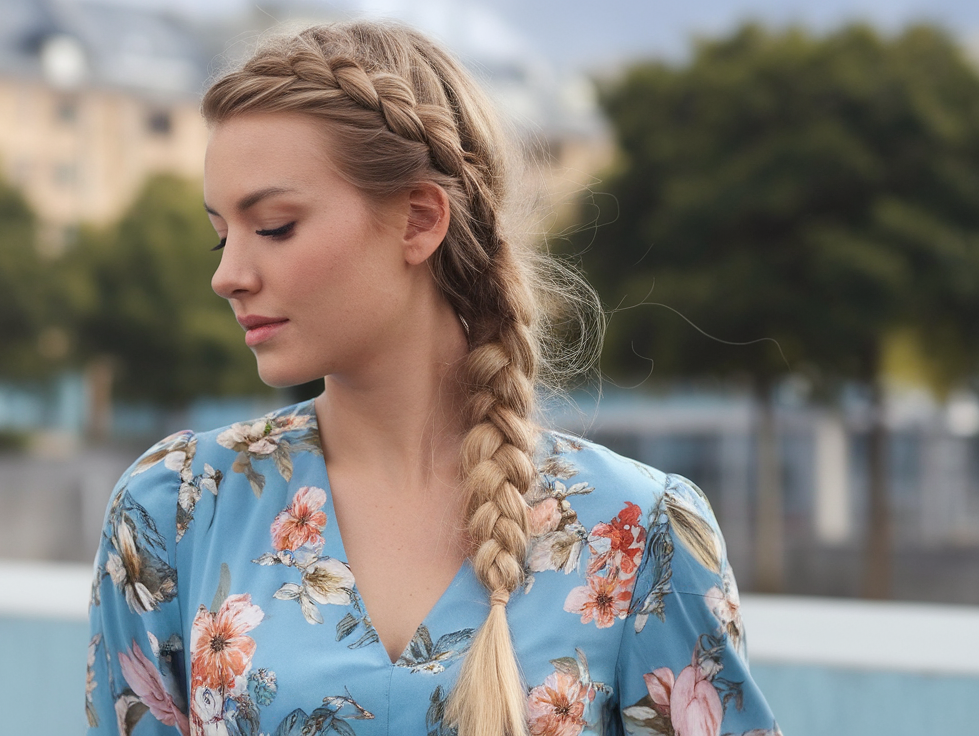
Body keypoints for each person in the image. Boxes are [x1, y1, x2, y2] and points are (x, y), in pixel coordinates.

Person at [87, 20, 780, 736]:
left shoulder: (638, 533)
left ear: (418, 220)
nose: (226, 276)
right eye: (220, 233)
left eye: (273, 226)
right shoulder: (173, 509)